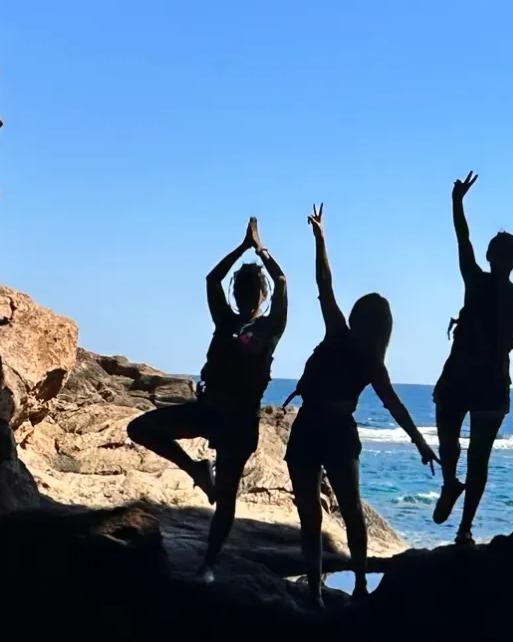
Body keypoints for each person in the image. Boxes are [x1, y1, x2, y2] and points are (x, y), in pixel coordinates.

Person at [284, 204, 435, 605]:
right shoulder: (369, 358)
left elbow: (324, 285)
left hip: (311, 427)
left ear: (357, 317)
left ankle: (318, 590)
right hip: (334, 431)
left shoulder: (342, 336)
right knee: (350, 512)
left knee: (312, 518)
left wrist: (320, 240)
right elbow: (397, 408)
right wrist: (420, 444)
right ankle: (359, 586)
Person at [126, 217, 288, 577]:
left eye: (253, 293)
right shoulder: (225, 321)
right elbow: (212, 279)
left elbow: (281, 280)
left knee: (227, 496)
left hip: (241, 423)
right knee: (140, 428)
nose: (248, 298)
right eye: (243, 292)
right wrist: (242, 248)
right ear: (238, 295)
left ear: (262, 297)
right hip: (208, 410)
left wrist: (261, 251)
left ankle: (209, 563)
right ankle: (196, 468)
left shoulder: (270, 328)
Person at [430, 173, 513, 543]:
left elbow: (463, 239)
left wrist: (457, 202)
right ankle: (463, 525)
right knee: (477, 456)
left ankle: (452, 492)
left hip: (465, 375)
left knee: (453, 442)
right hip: (488, 381)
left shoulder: (477, 281)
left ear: (494, 257)